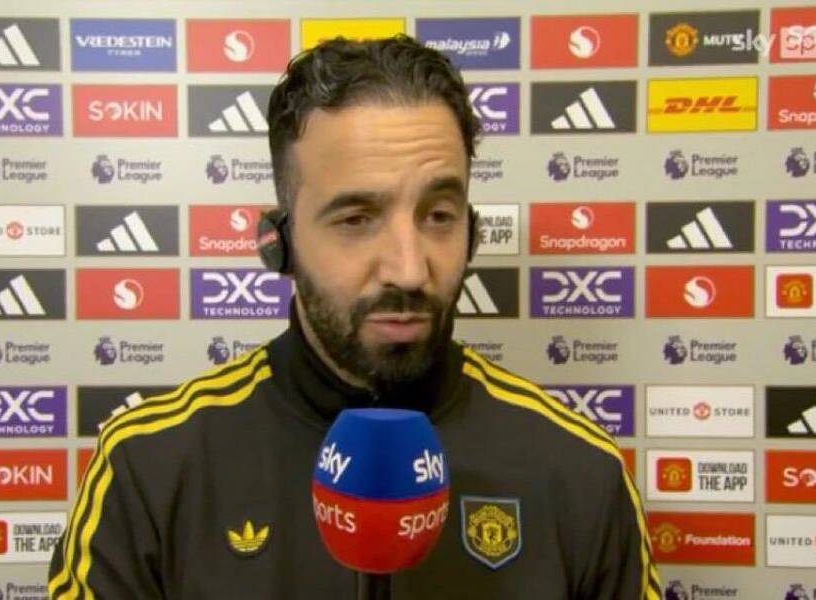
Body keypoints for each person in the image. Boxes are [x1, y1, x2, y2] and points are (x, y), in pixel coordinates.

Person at [48, 35, 660, 599]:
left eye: (438, 215)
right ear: (280, 241)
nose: (409, 270)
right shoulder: (151, 466)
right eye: (356, 219)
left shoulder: (578, 468)